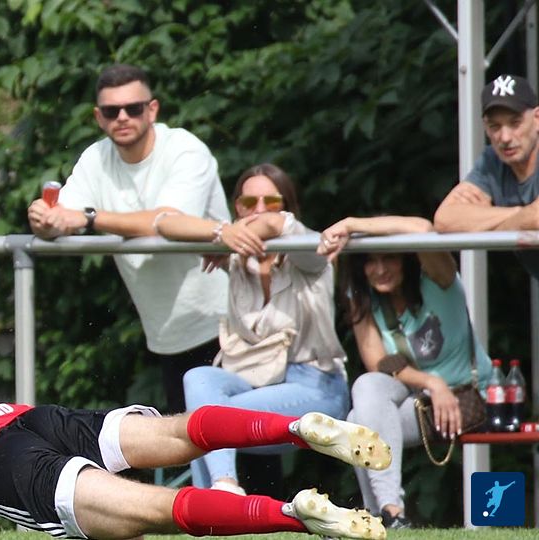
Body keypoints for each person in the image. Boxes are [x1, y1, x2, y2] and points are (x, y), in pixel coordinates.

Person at [0, 366, 390, 540]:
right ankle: (292, 426)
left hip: (1, 466)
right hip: (28, 418)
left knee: (152, 511)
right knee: (177, 432)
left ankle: (293, 516)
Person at [26, 63, 230, 414]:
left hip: (227, 324)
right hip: (167, 335)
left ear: (152, 110)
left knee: (244, 440)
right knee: (192, 438)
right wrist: (43, 219)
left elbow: (166, 222)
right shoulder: (96, 158)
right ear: (98, 117)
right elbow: (62, 218)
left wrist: (90, 217)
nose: (122, 117)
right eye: (111, 111)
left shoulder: (184, 148)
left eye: (133, 108)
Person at [155, 164, 350, 495]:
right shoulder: (235, 255)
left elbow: (273, 225)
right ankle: (221, 491)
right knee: (197, 379)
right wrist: (219, 234)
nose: (260, 210)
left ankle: (216, 495)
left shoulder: (307, 247)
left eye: (271, 201)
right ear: (236, 208)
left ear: (288, 207)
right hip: (254, 381)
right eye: (248, 203)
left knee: (206, 419)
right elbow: (164, 223)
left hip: (318, 388)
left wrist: (233, 235)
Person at [317, 215, 491, 529]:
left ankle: (378, 516)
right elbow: (378, 363)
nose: (380, 269)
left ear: (407, 259)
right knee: (367, 384)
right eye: (370, 261)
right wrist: (432, 382)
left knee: (357, 421)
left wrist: (351, 224)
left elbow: (423, 229)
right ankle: (392, 508)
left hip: (466, 397)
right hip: (416, 396)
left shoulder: (439, 279)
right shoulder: (363, 297)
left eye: (390, 258)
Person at [434, 74, 539, 278]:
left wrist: (487, 222)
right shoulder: (491, 161)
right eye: (495, 126)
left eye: (515, 123)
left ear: (537, 119)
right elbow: (445, 219)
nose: (505, 138)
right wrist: (521, 214)